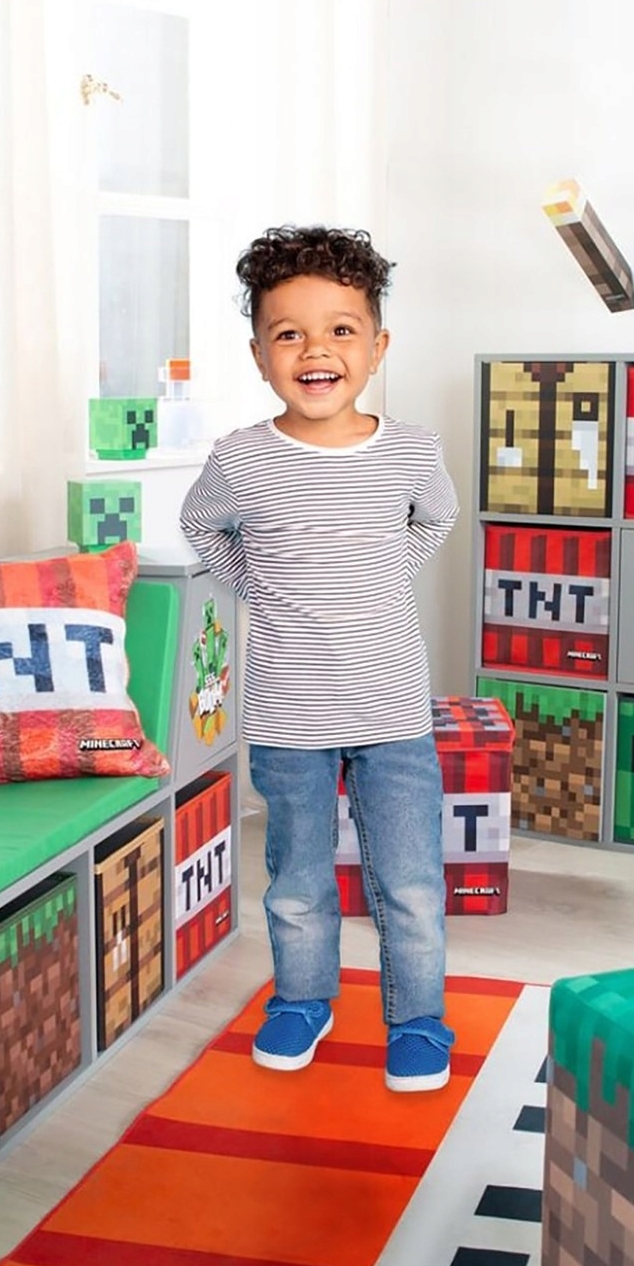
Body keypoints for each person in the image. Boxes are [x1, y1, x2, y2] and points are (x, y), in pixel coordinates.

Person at [179, 225, 460, 1092]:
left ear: (377, 345)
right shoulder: (240, 459)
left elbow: (437, 518)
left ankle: (418, 1018)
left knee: (410, 880)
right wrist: (258, 586)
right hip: (288, 715)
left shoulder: (411, 450)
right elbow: (201, 527)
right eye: (289, 333)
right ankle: (303, 999)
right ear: (259, 354)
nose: (315, 351)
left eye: (340, 329)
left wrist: (385, 574)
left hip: (392, 711)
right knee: (297, 879)